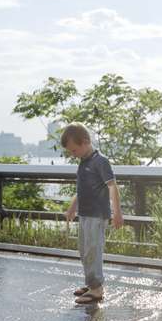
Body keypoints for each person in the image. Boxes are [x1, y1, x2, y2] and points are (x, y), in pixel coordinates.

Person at [61, 122, 124, 304]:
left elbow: (112, 186)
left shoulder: (100, 161)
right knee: (84, 250)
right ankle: (91, 283)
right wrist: (73, 207)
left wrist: (117, 212)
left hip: (97, 215)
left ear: (85, 142)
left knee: (93, 251)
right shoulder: (84, 162)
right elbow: (82, 189)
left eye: (74, 150)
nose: (73, 155)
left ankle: (97, 289)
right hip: (85, 214)